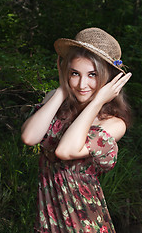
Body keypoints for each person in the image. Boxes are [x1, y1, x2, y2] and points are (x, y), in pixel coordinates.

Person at [21, 27, 132, 233]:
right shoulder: (55, 100)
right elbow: (29, 137)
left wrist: (98, 101)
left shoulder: (113, 123)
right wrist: (63, 88)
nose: (82, 84)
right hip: (48, 216)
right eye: (74, 74)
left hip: (84, 220)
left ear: (109, 78)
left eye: (92, 75)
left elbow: (65, 151)